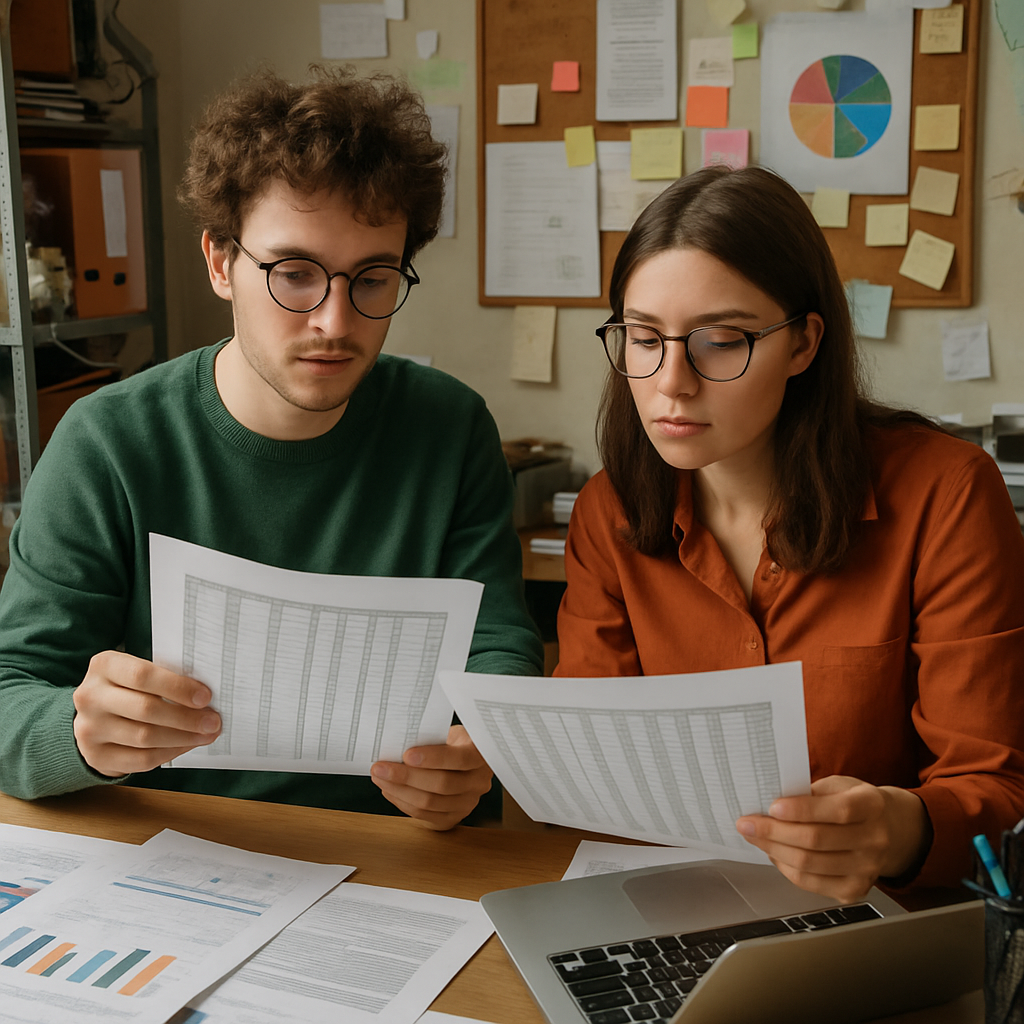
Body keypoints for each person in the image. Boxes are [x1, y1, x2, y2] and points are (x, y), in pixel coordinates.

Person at [0, 66, 543, 828]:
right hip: (182, 848)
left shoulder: (450, 430)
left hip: (397, 849)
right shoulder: (108, 442)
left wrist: (476, 751)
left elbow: (498, 647)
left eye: (373, 279)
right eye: (294, 274)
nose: (333, 319)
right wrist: (81, 733)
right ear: (221, 262)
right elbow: (11, 698)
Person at [555, 165, 1024, 899]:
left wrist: (898, 827)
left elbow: (999, 789)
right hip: (672, 905)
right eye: (644, 338)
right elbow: (593, 769)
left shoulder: (947, 494)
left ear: (804, 344)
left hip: (885, 928)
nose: (671, 380)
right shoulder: (606, 511)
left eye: (721, 340)